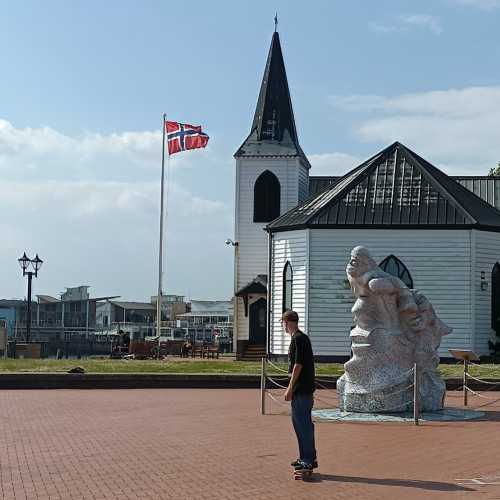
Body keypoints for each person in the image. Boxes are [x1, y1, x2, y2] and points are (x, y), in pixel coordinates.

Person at [282, 310, 317, 473]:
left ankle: (308, 460)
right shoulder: (300, 338)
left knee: (303, 425)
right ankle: (306, 457)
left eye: (283, 322)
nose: (283, 326)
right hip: (303, 390)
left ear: (287, 322)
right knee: (301, 425)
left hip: (301, 390)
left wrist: (289, 388)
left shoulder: (298, 339)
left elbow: (298, 365)